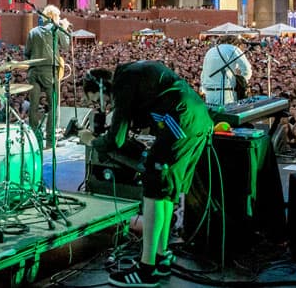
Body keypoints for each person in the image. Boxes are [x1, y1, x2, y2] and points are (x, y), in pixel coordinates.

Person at [78, 61, 213, 287]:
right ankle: (160, 256)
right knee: (165, 190)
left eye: (98, 100)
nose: (104, 106)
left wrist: (91, 140)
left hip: (180, 120)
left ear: (100, 89)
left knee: (153, 187)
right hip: (196, 119)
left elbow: (116, 139)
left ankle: (146, 268)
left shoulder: (123, 82)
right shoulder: (132, 73)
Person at [23, 5, 70, 149]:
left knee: (34, 107)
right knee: (53, 106)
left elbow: (27, 53)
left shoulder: (33, 31)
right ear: (55, 17)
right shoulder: (56, 29)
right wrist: (65, 27)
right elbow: (66, 46)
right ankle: (50, 142)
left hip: (33, 71)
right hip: (50, 71)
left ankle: (35, 141)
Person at [200, 36, 252, 108]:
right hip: (226, 93)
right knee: (227, 117)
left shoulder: (210, 51)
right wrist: (242, 81)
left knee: (212, 118)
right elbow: (247, 69)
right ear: (236, 43)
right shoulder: (233, 49)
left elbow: (203, 74)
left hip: (209, 94)